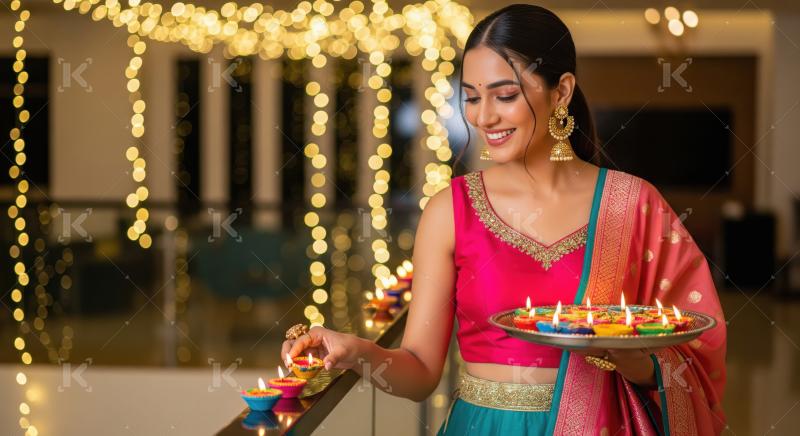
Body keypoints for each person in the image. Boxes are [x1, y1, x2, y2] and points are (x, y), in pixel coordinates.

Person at [283, 4, 727, 435]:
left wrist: (635, 360)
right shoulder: (450, 211)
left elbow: (696, 346)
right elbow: (418, 374)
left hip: (600, 424)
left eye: (506, 95)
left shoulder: (632, 203)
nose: (484, 116)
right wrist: (356, 352)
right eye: (471, 98)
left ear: (562, 91)